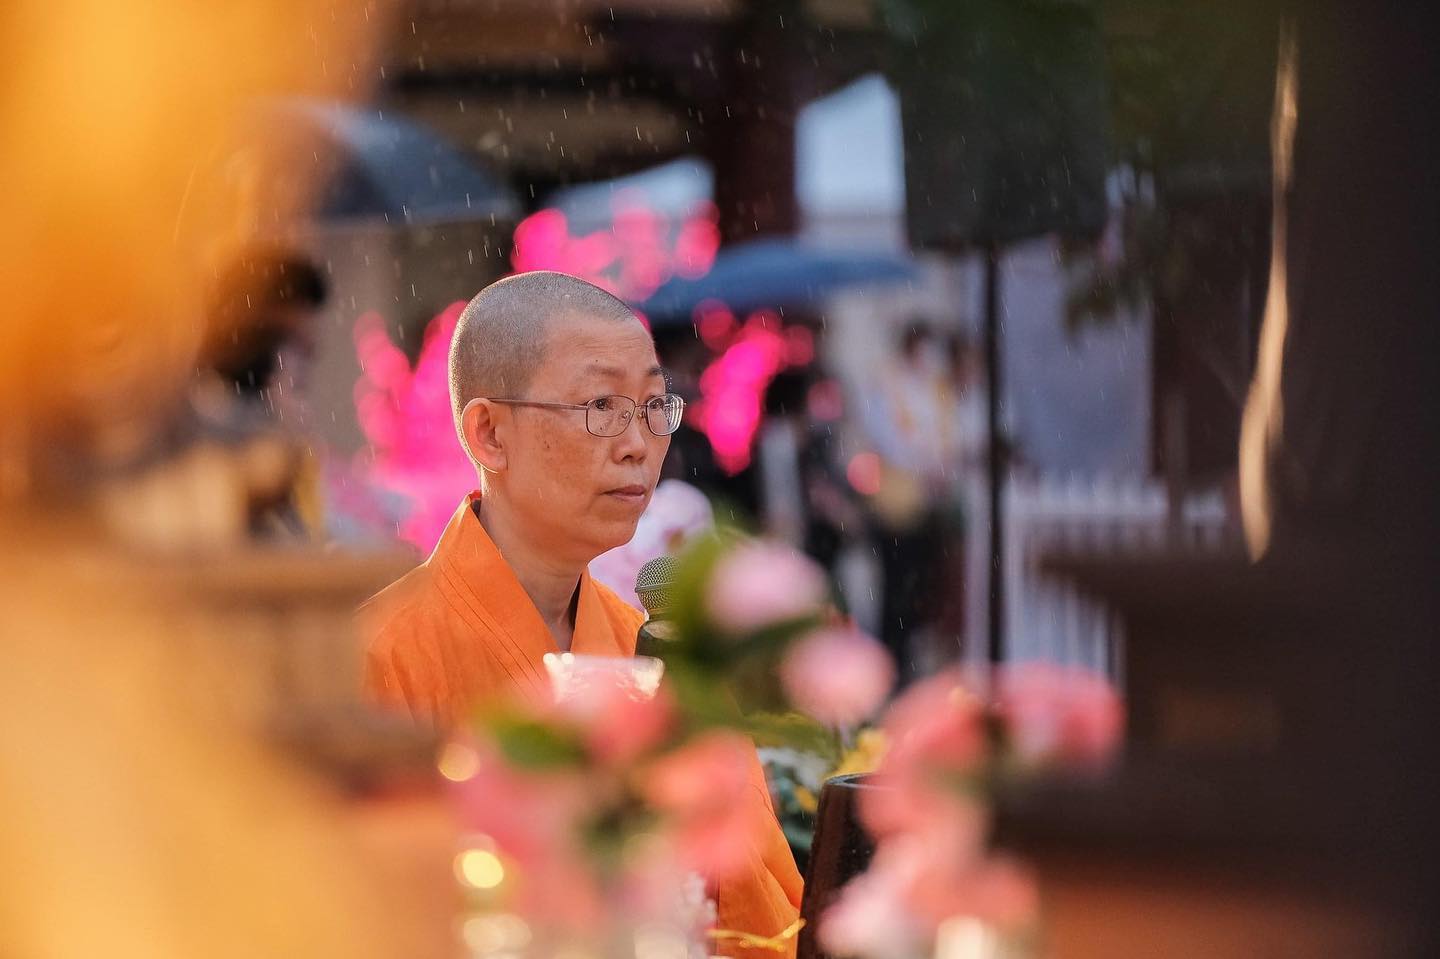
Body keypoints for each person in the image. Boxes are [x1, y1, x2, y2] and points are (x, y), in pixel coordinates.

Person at [360, 271, 802, 955]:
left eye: (654, 406)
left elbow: (762, 918)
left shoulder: (655, 653)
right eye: (601, 405)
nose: (638, 444)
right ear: (489, 434)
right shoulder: (378, 655)